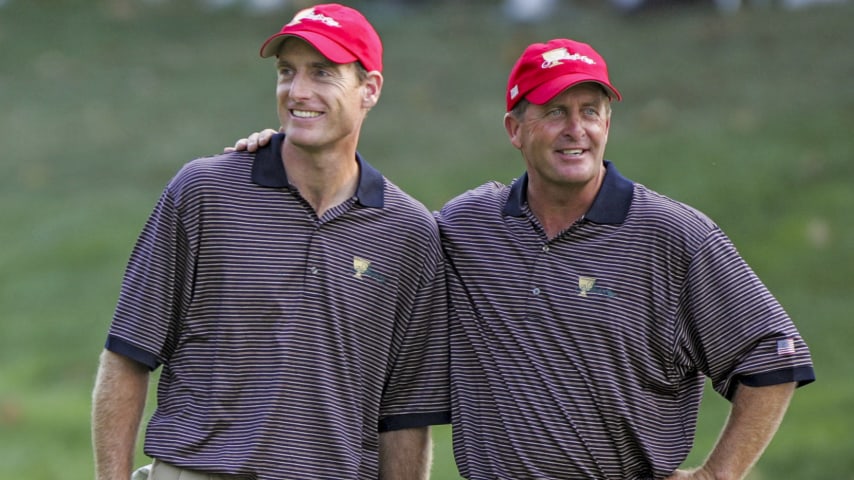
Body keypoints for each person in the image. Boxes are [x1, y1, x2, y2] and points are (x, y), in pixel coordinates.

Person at [229, 38, 815, 479]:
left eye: (591, 110)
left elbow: (773, 357)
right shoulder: (464, 227)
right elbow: (373, 228)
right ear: (515, 128)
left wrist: (717, 475)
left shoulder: (672, 233)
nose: (575, 129)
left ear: (607, 123)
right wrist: (285, 145)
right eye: (554, 111)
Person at [91, 4, 450, 480]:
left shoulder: (408, 232)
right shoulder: (204, 192)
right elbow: (127, 356)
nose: (298, 92)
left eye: (322, 73)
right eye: (287, 72)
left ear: (370, 89)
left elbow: (403, 416)